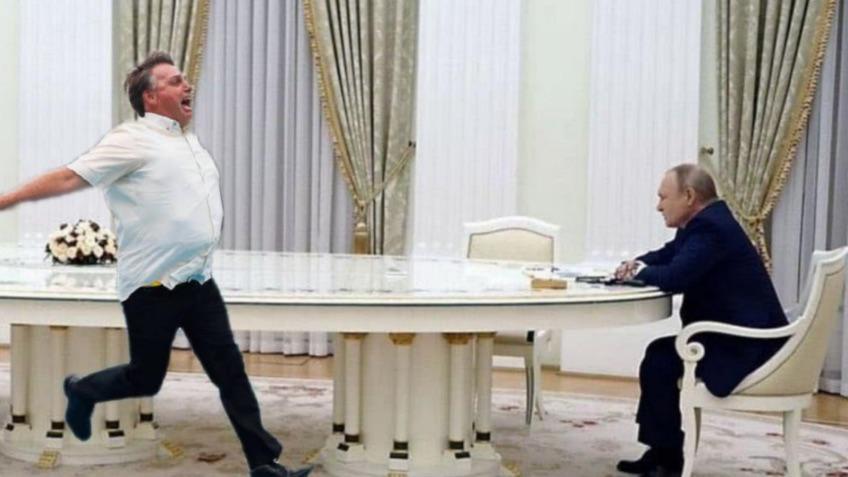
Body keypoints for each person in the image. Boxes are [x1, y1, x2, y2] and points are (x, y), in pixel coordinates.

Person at [0, 51, 311, 477]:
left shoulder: (187, 141)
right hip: (152, 286)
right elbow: (70, 176)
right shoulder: (131, 139)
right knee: (147, 379)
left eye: (185, 80)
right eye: (176, 81)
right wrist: (6, 199)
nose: (188, 86)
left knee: (230, 372)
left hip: (197, 281)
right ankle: (82, 390)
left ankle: (264, 463)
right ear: (150, 97)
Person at [614, 164, 788, 477]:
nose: (658, 206)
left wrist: (639, 273)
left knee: (660, 359)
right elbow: (669, 254)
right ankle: (663, 452)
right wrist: (636, 263)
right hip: (733, 337)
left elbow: (675, 277)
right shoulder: (704, 223)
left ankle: (667, 458)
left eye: (663, 197)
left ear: (689, 196)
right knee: (659, 357)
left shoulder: (711, 229)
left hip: (747, 346)